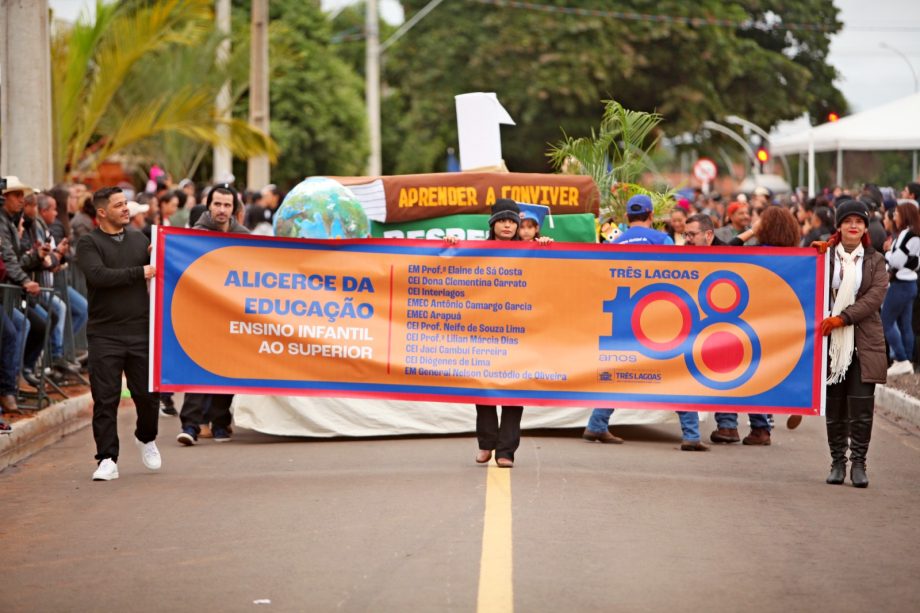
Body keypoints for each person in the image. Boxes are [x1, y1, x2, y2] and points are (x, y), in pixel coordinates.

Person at [583, 194, 708, 451]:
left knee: (619, 371)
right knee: (677, 371)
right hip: (657, 316)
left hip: (621, 316)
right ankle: (692, 435)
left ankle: (596, 424)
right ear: (652, 215)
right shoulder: (663, 240)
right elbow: (678, 276)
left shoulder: (615, 241)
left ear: (627, 218)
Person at [76, 186, 161, 481]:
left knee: (148, 396)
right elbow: (98, 277)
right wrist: (141, 271)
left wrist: (161, 253)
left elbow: (159, 269)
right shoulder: (88, 243)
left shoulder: (140, 239)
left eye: (126, 204)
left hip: (140, 330)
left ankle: (146, 437)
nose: (126, 209)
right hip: (104, 334)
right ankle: (107, 458)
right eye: (119, 205)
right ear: (102, 212)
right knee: (106, 398)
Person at [814, 198, 888, 488]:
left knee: (860, 407)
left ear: (865, 227)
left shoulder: (875, 260)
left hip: (864, 341)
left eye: (859, 221)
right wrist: (811, 261)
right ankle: (836, 463)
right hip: (830, 342)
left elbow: (873, 299)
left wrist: (841, 318)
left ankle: (859, 463)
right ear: (839, 226)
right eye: (848, 221)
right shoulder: (825, 256)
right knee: (835, 407)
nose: (853, 226)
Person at [176, 185, 249, 446]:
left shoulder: (244, 236)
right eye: (217, 204)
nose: (221, 210)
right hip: (201, 313)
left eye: (227, 205)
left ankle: (220, 423)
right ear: (209, 206)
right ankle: (190, 425)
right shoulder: (195, 236)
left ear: (234, 209)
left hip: (231, 312)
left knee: (226, 367)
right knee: (198, 367)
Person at [881, 202, 920, 376]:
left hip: (901, 284)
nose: (894, 217)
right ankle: (906, 361)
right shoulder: (916, 233)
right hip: (910, 283)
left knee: (886, 321)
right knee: (905, 325)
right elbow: (914, 263)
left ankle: (901, 359)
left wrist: (888, 252)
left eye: (896, 214)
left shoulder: (907, 234)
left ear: (904, 215)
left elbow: (896, 260)